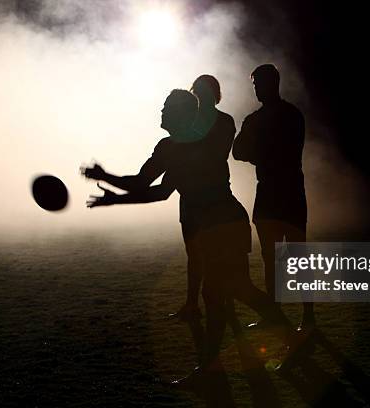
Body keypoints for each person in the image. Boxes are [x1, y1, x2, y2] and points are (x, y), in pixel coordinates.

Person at [82, 89, 301, 378]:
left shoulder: (181, 147)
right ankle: (224, 362)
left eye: (167, 108)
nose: (161, 112)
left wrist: (111, 191)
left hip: (220, 225)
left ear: (180, 114)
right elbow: (150, 186)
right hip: (224, 223)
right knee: (228, 292)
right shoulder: (177, 146)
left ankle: (218, 366)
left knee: (225, 292)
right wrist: (107, 183)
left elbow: (153, 190)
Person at [232, 64, 314, 330]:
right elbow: (239, 152)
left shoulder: (263, 119)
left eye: (258, 84)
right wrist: (266, 153)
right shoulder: (290, 115)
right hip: (280, 190)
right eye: (255, 84)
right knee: (276, 255)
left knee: (288, 255)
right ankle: (294, 315)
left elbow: (243, 151)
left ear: (271, 83)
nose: (255, 89)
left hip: (277, 191)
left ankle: (301, 315)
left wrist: (261, 153)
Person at [167, 75, 237, 322]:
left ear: (214, 94)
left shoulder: (223, 121)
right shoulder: (206, 122)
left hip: (213, 196)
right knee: (194, 254)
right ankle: (193, 304)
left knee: (213, 255)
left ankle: (220, 303)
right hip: (192, 196)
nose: (200, 96)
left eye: (203, 91)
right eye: (197, 91)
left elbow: (218, 155)